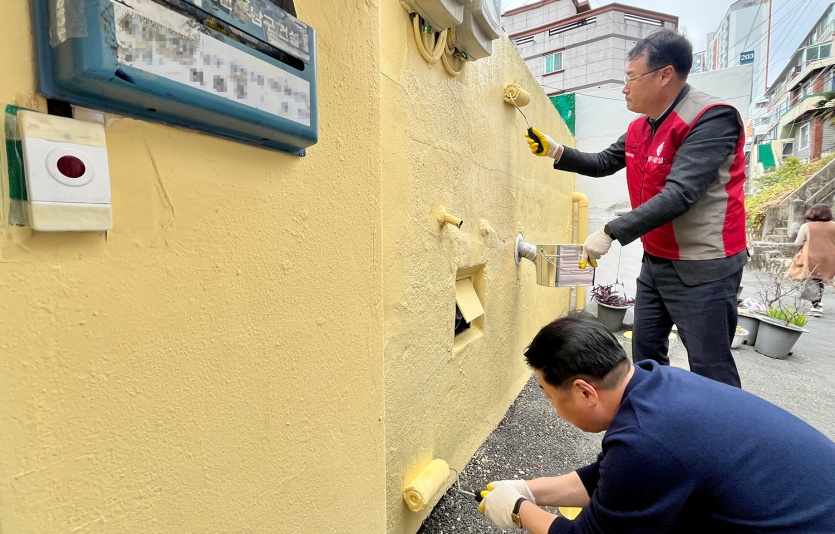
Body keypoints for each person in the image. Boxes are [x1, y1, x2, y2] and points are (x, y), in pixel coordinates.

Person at [525, 30, 747, 388]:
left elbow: (680, 194)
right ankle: (655, 424)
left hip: (704, 265)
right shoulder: (640, 128)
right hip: (657, 260)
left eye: (631, 77)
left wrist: (610, 231)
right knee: (645, 353)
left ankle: (723, 437)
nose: (625, 88)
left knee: (710, 366)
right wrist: (555, 150)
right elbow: (603, 162)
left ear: (665, 75)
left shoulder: (711, 118)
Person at [478, 312, 835, 533]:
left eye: (547, 394)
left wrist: (517, 510)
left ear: (585, 392)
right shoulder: (655, 383)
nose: (550, 404)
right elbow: (608, 478)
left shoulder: (645, 442)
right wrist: (528, 488)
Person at [793, 203, 835, 317]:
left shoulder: (807, 226)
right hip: (830, 258)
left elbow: (797, 242)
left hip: (812, 256)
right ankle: (817, 303)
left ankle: (816, 305)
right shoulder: (834, 225)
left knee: (813, 279)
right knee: (819, 279)